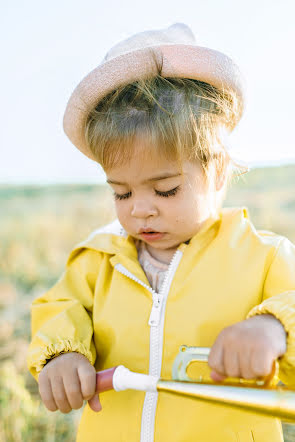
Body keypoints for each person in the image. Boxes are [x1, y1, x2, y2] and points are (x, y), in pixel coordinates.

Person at [27, 23, 295, 442]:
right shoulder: (99, 260)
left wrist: (274, 329)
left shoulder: (263, 258)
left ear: (218, 170)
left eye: (165, 189)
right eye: (121, 192)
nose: (139, 209)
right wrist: (61, 353)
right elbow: (59, 307)